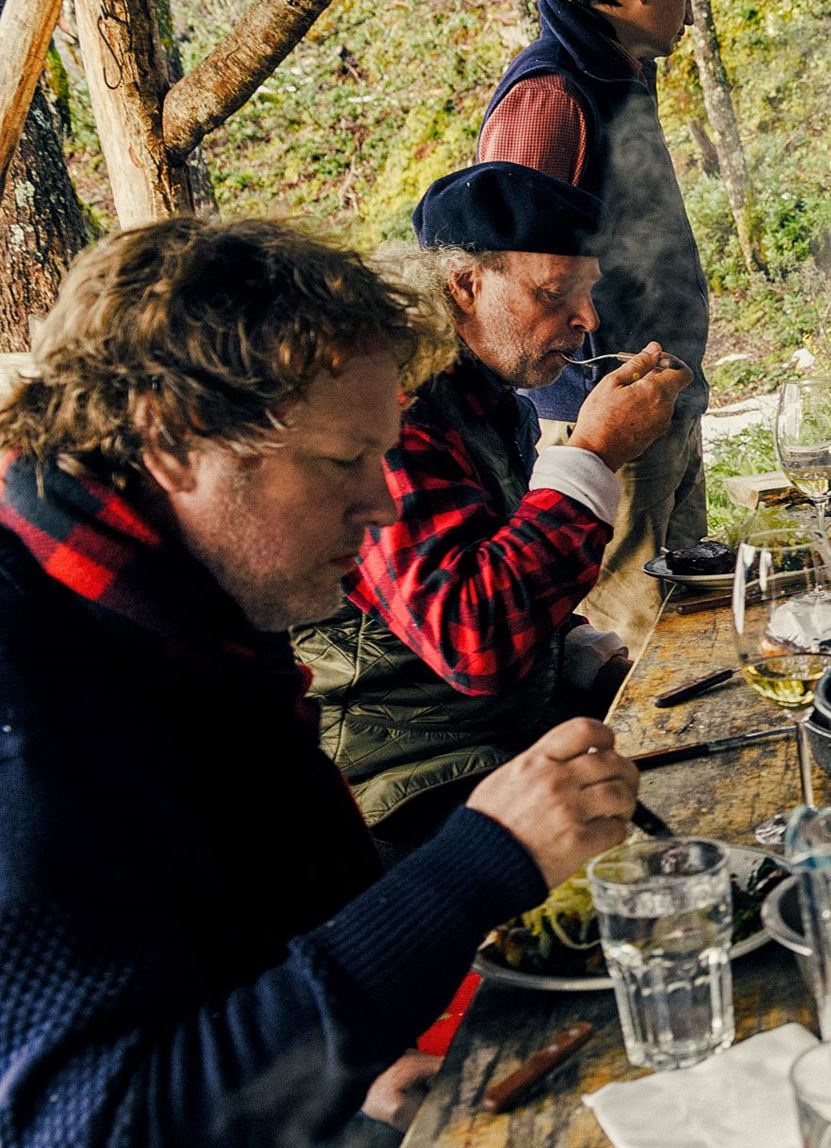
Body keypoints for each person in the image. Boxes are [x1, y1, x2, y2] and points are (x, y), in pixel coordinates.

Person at [0, 217, 642, 1146]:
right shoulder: (30, 710)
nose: (382, 505)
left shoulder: (187, 611)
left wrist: (355, 1073)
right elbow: (103, 1123)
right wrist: (481, 862)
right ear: (173, 442)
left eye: (384, 455)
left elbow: (272, 939)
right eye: (344, 461)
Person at [293, 162, 687, 851]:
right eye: (555, 292)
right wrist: (592, 454)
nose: (588, 320)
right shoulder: (397, 414)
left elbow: (494, 557)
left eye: (588, 292)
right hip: (410, 782)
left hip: (507, 734)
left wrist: (588, 657)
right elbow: (472, 639)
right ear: (465, 284)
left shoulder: (485, 395)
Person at [478, 0, 712, 652]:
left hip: (656, 398)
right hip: (601, 415)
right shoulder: (552, 97)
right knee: (629, 643)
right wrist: (592, 431)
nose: (690, 9)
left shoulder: (616, 72)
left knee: (688, 629)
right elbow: (506, 276)